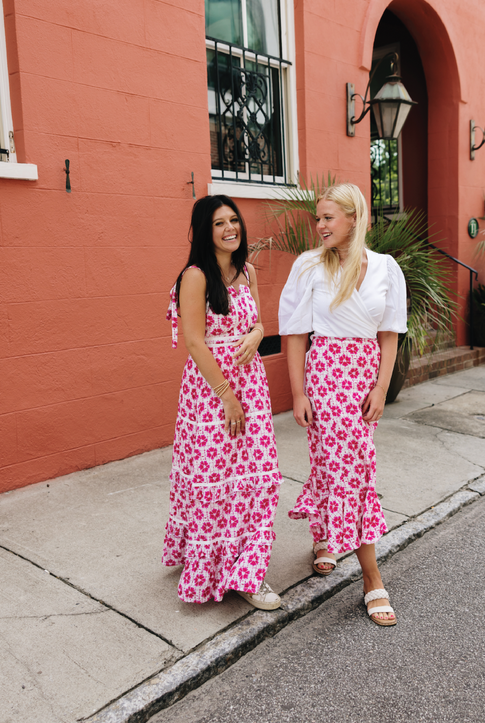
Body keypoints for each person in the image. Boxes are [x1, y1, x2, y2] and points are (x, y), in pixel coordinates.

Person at [278, 183, 407, 626]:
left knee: (344, 464)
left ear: (354, 218)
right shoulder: (308, 266)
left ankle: (327, 539)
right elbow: (294, 333)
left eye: (329, 217)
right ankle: (371, 576)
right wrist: (298, 392)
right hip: (326, 375)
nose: (320, 225)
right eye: (319, 217)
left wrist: (381, 387)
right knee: (344, 466)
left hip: (365, 376)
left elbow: (389, 333)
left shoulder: (385, 269)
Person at [163, 195, 282, 610]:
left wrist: (257, 334)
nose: (230, 228)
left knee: (258, 477)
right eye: (219, 223)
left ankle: (248, 571)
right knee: (217, 481)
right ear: (204, 230)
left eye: (234, 220)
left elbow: (257, 322)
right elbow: (195, 342)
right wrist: (227, 398)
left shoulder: (246, 270)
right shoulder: (195, 276)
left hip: (252, 384)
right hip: (212, 392)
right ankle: (212, 560)